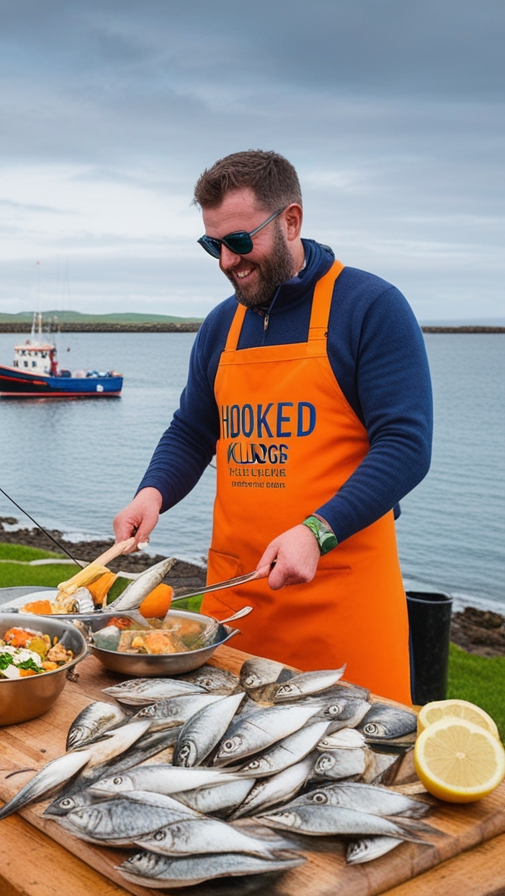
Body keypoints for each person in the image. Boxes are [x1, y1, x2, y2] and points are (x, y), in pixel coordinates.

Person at [113, 150, 432, 705]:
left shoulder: (371, 307)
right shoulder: (220, 325)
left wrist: (317, 531)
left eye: (240, 241)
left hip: (343, 604)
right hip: (238, 604)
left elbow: (406, 446)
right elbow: (192, 431)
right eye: (213, 245)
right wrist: (152, 492)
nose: (226, 262)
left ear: (291, 221)